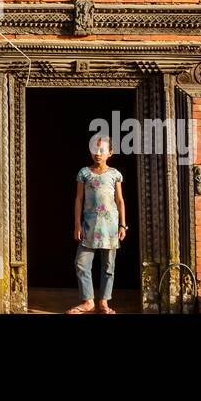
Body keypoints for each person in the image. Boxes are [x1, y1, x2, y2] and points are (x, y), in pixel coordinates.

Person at [68, 134, 126, 314]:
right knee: (81, 262)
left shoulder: (115, 174)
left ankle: (103, 302)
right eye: (95, 149)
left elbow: (120, 200)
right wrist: (77, 224)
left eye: (102, 150)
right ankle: (88, 301)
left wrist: (123, 225)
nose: (98, 153)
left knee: (108, 266)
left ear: (110, 152)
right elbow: (78, 199)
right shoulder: (84, 173)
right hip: (89, 226)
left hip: (109, 228)